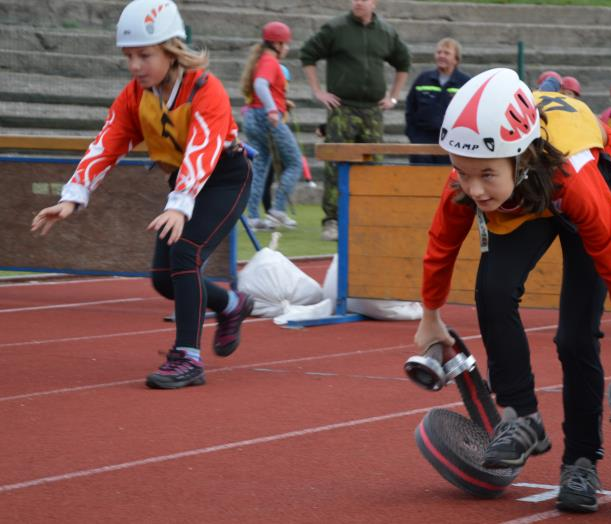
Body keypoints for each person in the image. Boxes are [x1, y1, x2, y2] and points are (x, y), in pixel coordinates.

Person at [413, 68, 611, 513]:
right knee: (491, 292)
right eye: (463, 173)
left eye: (485, 176)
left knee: (575, 335)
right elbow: (441, 246)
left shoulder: (579, 180)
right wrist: (430, 317)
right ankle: (521, 419)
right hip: (524, 194)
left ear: (521, 156)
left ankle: (582, 462)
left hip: (583, 176)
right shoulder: (470, 176)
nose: (473, 189)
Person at [30, 0, 254, 390]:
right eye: (128, 56)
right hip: (182, 185)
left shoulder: (205, 88)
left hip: (224, 179)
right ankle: (233, 305)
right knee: (165, 281)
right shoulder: (136, 95)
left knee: (185, 252)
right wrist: (72, 196)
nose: (135, 65)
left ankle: (187, 357)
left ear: (172, 49)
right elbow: (107, 143)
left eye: (144, 55)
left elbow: (202, 150)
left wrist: (181, 205)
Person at [300, 0, 411, 241]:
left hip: (372, 111)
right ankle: (332, 220)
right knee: (335, 164)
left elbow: (403, 62)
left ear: (374, 3)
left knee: (373, 166)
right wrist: (317, 91)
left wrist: (393, 97)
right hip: (343, 109)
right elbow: (307, 54)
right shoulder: (336, 28)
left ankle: (367, 218)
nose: (358, 2)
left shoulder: (386, 32)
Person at [240, 21, 304, 230]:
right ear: (277, 44)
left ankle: (252, 217)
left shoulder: (261, 59)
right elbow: (261, 84)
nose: (287, 48)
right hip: (266, 118)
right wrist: (273, 109)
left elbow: (262, 88)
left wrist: (281, 104)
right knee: (295, 163)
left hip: (252, 116)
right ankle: (277, 210)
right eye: (285, 44)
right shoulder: (270, 61)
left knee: (258, 168)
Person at [404, 37, 470, 164]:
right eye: (439, 52)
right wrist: (414, 137)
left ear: (456, 59)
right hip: (422, 143)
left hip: (452, 144)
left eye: (446, 53)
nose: (441, 56)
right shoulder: (423, 79)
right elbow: (410, 109)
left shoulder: (465, 83)